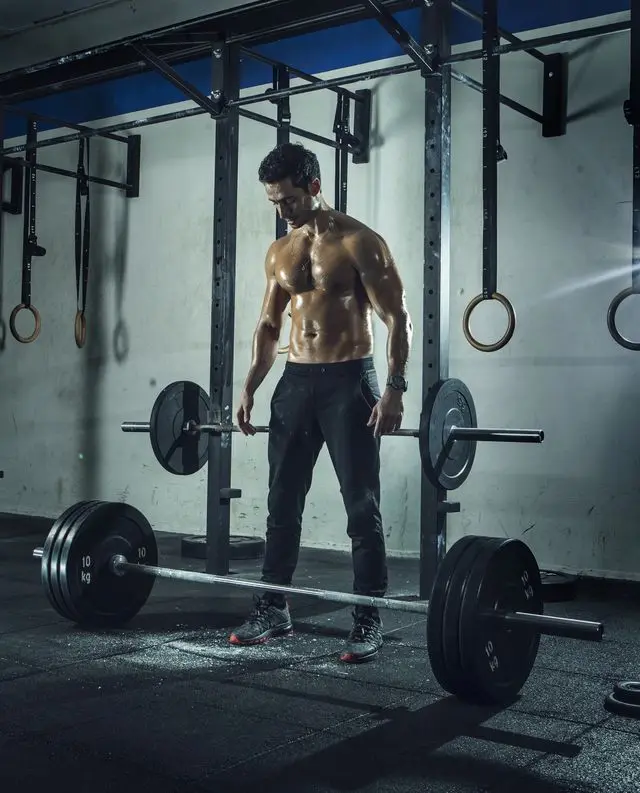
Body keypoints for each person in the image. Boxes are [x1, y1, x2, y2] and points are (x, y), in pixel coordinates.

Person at [229, 142, 413, 663]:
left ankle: (366, 616)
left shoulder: (361, 242)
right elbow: (268, 324)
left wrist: (395, 388)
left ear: (313, 187)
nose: (281, 211)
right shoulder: (280, 252)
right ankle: (272, 606)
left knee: (361, 505)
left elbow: (398, 318)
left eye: (287, 200)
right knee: (281, 502)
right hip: (295, 380)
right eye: (273, 202)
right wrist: (250, 385)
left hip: (349, 380)